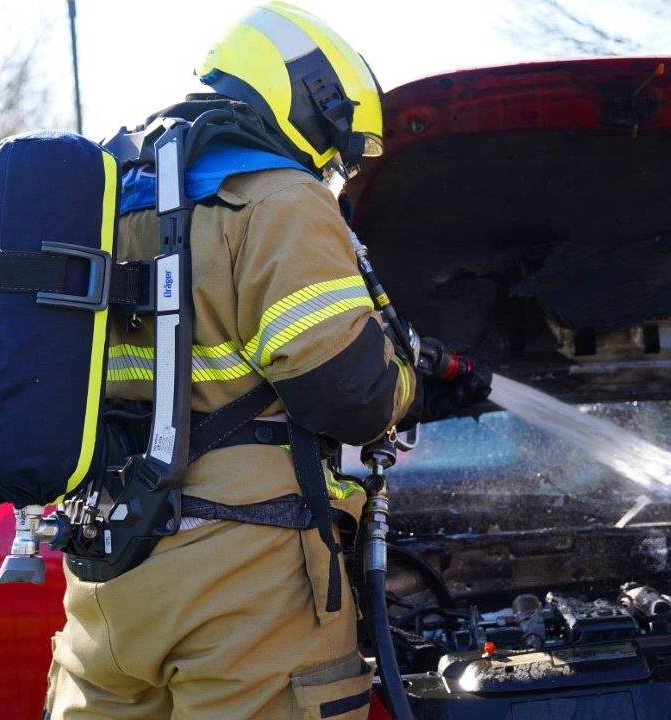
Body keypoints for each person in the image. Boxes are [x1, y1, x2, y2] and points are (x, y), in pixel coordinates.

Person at [45, 3, 490, 717]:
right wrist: (412, 386)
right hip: (240, 580)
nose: (335, 164)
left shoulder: (117, 200)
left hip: (109, 576)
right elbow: (348, 395)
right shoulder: (279, 198)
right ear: (311, 99)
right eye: (339, 138)